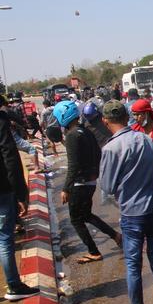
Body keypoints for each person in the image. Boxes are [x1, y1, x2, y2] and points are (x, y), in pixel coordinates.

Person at [99, 99, 153, 304]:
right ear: (126, 117)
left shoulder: (110, 148)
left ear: (105, 121)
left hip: (131, 214)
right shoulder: (145, 139)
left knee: (133, 266)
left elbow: (108, 186)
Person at [53, 101, 122, 263]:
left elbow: (73, 165)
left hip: (79, 184)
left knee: (76, 219)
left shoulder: (71, 135)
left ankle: (94, 251)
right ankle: (116, 236)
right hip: (90, 182)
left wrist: (66, 188)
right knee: (86, 215)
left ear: (63, 117)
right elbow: (97, 154)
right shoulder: (85, 131)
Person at [0, 97, 40, 301]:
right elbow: (9, 156)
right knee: (4, 239)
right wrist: (20, 193)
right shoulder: (1, 120)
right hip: (3, 189)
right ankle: (14, 286)